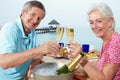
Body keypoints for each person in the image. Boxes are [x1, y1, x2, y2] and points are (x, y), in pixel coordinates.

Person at [0, 1, 60, 80]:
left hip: (25, 76)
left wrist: (34, 63)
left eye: (39, 18)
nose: (35, 21)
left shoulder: (32, 31)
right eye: (33, 15)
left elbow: (38, 53)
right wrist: (39, 49)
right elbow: (3, 62)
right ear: (24, 12)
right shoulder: (10, 29)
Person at [69, 3, 120, 80]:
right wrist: (100, 56)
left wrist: (81, 59)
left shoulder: (115, 43)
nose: (94, 26)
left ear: (110, 21)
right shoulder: (108, 40)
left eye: (99, 21)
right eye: (91, 22)